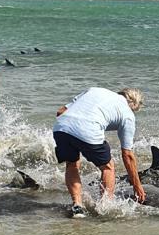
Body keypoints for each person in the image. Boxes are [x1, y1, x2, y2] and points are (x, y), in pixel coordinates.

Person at [53, 87, 147, 217]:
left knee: (72, 164)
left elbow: (60, 112)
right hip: (88, 129)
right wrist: (137, 186)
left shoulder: (94, 90)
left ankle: (77, 206)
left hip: (60, 127)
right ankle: (105, 207)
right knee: (108, 167)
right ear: (134, 106)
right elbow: (127, 155)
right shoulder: (128, 115)